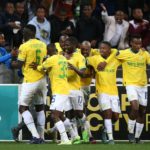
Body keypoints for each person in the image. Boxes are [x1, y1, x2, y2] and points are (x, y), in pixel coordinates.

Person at [30, 44, 74, 145]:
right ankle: (74, 135)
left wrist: (37, 65)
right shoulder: (62, 58)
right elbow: (52, 69)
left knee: (54, 115)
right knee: (61, 115)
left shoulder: (51, 60)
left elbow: (41, 68)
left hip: (59, 90)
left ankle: (65, 139)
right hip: (64, 88)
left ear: (48, 51)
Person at [11, 24, 47, 144]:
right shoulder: (43, 44)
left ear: (32, 32)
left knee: (22, 108)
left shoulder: (24, 46)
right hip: (42, 80)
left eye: (25, 32)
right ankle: (41, 137)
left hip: (30, 80)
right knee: (40, 108)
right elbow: (45, 61)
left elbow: (19, 65)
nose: (23, 33)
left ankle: (36, 136)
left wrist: (12, 60)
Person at [115, 35, 150, 143]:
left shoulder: (144, 54)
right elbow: (113, 55)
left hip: (143, 85)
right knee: (135, 107)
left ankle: (137, 137)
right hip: (130, 84)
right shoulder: (124, 53)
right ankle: (130, 133)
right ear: (131, 43)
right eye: (136, 43)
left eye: (140, 43)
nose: (138, 46)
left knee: (142, 111)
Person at [87, 41, 121, 144]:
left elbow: (116, 51)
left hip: (114, 91)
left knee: (115, 116)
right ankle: (111, 139)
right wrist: (91, 70)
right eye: (100, 48)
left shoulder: (115, 59)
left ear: (109, 50)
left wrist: (106, 62)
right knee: (108, 113)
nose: (101, 50)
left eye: (104, 48)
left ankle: (105, 130)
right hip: (101, 90)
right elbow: (86, 61)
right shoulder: (95, 59)